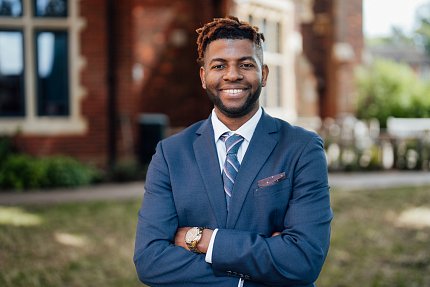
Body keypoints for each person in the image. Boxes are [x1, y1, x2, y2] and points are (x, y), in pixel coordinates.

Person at [134, 16, 333, 287]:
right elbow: (151, 261)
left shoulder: (302, 149)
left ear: (263, 74)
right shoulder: (171, 154)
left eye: (246, 64)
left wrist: (203, 240)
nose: (232, 75)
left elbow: (302, 261)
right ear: (204, 77)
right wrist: (248, 278)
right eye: (219, 65)